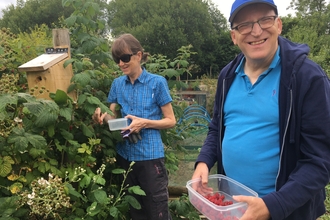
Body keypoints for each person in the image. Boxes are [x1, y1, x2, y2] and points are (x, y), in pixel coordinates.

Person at [191, 0, 330, 219]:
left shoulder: (307, 78)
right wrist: (204, 161)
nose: (256, 31)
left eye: (265, 20)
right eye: (244, 25)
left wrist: (272, 206)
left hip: (285, 211)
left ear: (279, 25)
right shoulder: (227, 76)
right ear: (234, 37)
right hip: (232, 208)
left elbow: (320, 161)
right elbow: (217, 127)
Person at [93, 33, 176, 220]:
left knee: (157, 210)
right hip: (125, 155)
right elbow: (112, 116)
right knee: (136, 210)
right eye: (117, 59)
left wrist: (144, 123)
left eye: (124, 58)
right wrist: (100, 115)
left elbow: (171, 120)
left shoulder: (157, 83)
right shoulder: (117, 84)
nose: (121, 63)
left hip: (150, 157)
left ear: (138, 55)